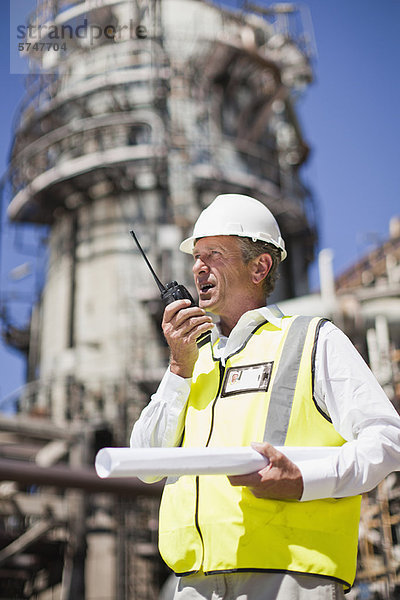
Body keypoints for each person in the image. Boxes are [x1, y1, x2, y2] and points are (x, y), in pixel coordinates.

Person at [131, 193, 400, 600]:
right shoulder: (192, 361)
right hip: (195, 584)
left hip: (289, 578)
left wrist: (303, 481)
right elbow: (146, 463)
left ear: (260, 266)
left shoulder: (312, 340)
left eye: (214, 254)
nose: (198, 267)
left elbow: (387, 440)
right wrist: (177, 369)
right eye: (196, 256)